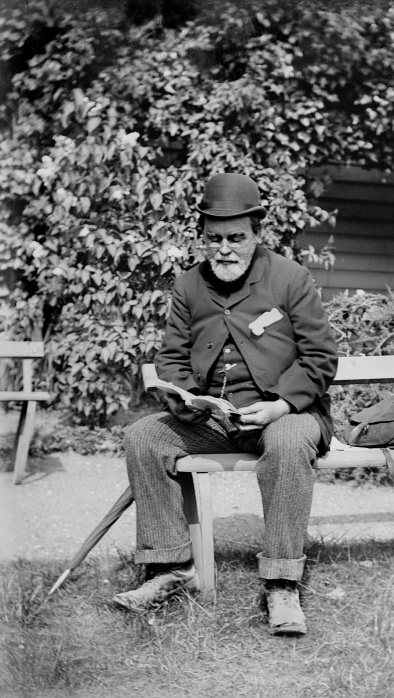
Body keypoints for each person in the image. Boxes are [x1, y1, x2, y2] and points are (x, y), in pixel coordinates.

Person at [113, 173, 338, 635]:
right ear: (202, 238)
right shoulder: (188, 285)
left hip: (285, 415)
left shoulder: (291, 278)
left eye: (237, 237)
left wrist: (280, 404)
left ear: (257, 233)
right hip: (214, 418)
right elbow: (171, 358)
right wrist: (184, 401)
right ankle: (170, 569)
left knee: (291, 441)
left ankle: (281, 585)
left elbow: (321, 357)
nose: (225, 248)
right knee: (143, 435)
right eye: (214, 238)